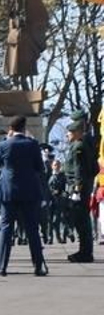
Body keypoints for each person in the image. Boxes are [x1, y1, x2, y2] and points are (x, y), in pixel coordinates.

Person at [0, 116, 47, 276]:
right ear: (24, 128)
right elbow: (39, 167)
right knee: (32, 229)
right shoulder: (33, 144)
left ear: (11, 128)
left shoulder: (4, 144)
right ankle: (38, 266)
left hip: (8, 191)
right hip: (29, 191)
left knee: (6, 228)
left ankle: (1, 267)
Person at [63, 110, 100, 263]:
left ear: (78, 131)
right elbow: (94, 168)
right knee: (82, 219)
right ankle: (85, 251)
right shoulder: (88, 141)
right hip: (84, 185)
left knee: (81, 220)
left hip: (78, 187)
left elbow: (79, 168)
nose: (68, 135)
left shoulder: (79, 145)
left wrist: (77, 187)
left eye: (70, 132)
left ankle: (85, 253)